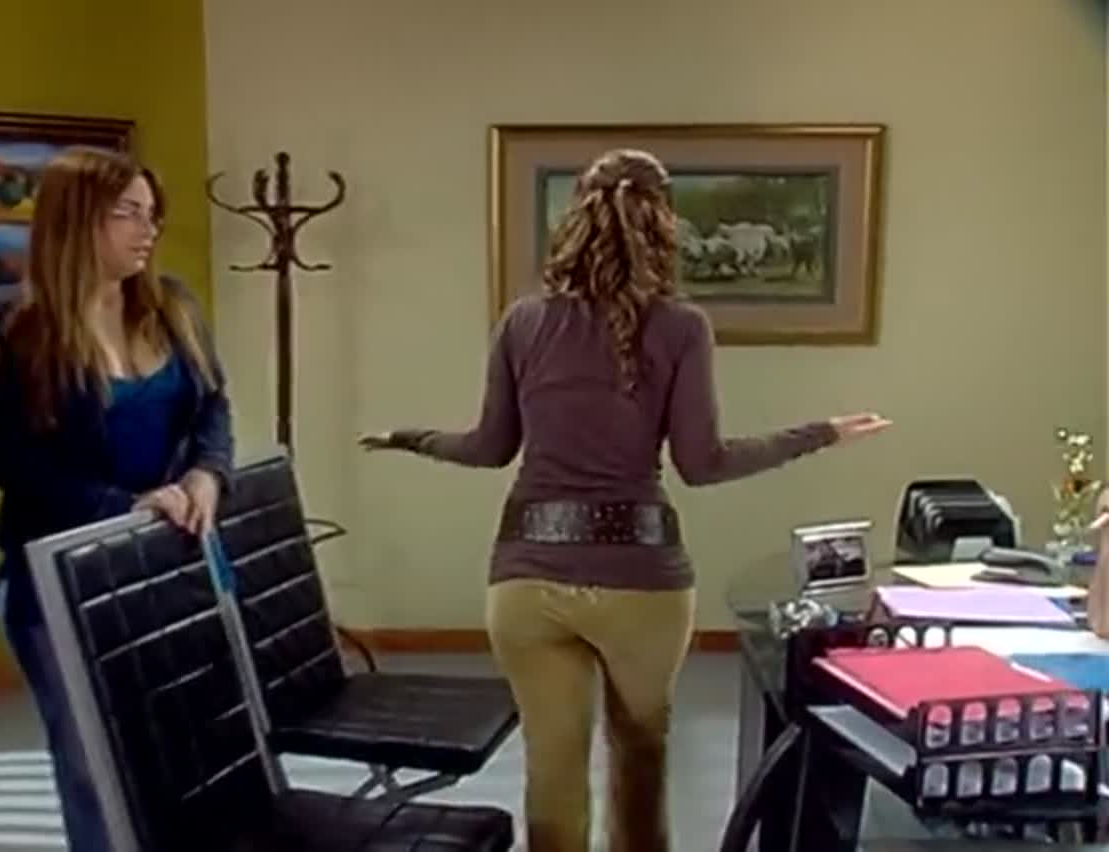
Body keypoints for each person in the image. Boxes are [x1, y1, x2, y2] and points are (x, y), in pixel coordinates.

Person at [359, 149, 890, 852]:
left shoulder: (522, 323)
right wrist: (819, 433)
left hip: (526, 581)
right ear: (663, 223)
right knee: (640, 764)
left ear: (575, 219)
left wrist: (409, 438)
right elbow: (704, 464)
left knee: (552, 772)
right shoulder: (681, 327)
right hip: (643, 583)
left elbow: (489, 447)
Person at [0, 146, 233, 851]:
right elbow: (4, 458)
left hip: (168, 563)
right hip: (62, 577)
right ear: (78, 220)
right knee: (91, 767)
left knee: (178, 750)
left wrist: (208, 474)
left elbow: (213, 407)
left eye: (152, 214)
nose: (148, 229)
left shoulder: (172, 306)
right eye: (128, 214)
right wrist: (122, 507)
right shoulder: (11, 329)